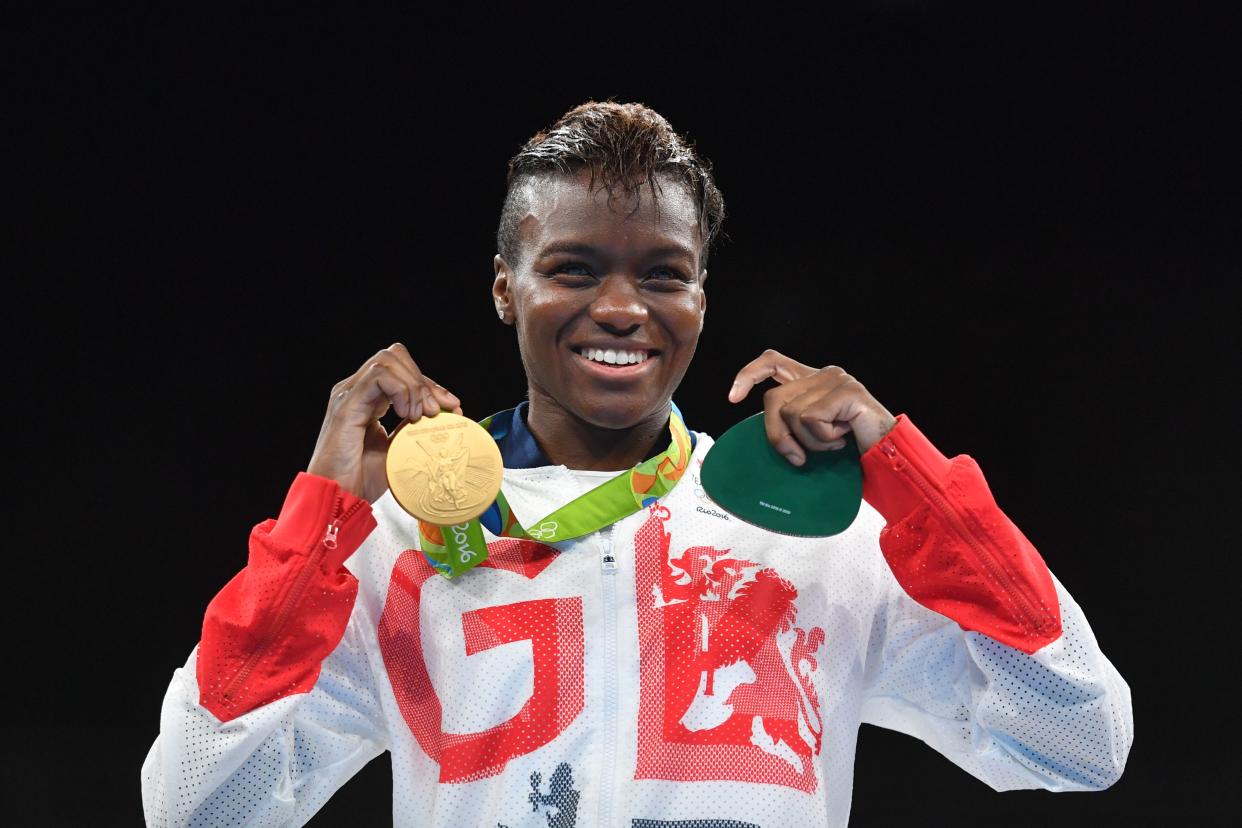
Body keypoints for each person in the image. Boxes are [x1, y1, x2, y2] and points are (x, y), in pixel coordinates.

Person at [141, 101, 1133, 827]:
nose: (622, 309)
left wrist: (918, 489)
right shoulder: (396, 541)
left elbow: (1081, 743)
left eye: (663, 274)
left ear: (702, 296)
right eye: (574, 269)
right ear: (504, 289)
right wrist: (319, 524)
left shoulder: (815, 531)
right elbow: (195, 805)